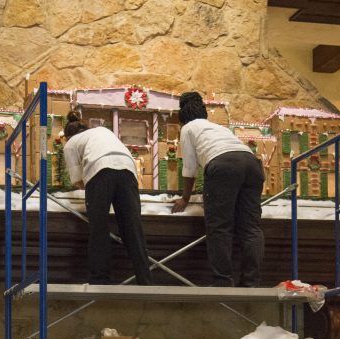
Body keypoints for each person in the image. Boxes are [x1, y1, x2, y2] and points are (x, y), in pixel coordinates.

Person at [171, 90, 264, 287]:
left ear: (182, 114)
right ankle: (250, 283)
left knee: (220, 227)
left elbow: (189, 168)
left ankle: (223, 282)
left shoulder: (188, 128)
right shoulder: (218, 128)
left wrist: (185, 198)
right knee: (251, 228)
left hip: (223, 165)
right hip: (251, 163)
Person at [62, 111, 153, 285]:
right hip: (128, 170)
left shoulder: (70, 144)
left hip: (99, 171)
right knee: (133, 228)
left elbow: (78, 180)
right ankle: (145, 279)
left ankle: (100, 279)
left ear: (67, 136)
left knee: (99, 227)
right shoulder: (103, 131)